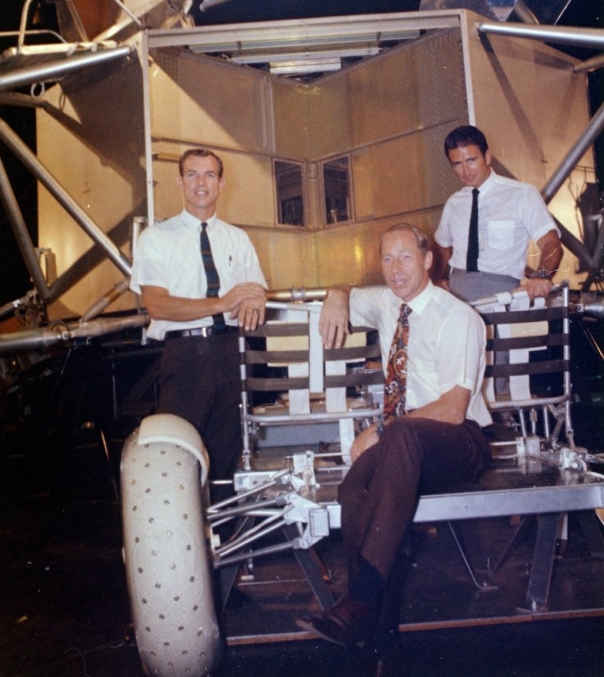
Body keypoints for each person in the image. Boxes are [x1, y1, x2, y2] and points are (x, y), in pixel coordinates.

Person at [297, 223, 491, 675]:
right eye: (387, 259)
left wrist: (381, 431)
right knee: (353, 489)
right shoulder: (388, 302)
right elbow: (349, 293)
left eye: (406, 257)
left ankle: (360, 599)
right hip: (406, 445)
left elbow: (453, 408)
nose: (396, 268)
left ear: (428, 260)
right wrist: (337, 293)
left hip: (460, 441)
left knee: (399, 438)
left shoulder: (458, 317)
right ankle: (378, 640)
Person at [130, 148, 267, 481]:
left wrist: (255, 301)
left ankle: (225, 517)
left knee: (228, 462)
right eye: (192, 174)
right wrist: (223, 303)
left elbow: (255, 295)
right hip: (185, 357)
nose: (201, 183)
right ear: (180, 182)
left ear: (221, 184)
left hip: (232, 353)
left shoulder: (238, 239)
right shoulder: (155, 239)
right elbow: (157, 305)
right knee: (179, 459)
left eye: (209, 175)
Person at [434, 125, 563, 302]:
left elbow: (551, 244)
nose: (466, 172)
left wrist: (541, 276)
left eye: (471, 160)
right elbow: (442, 245)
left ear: (487, 156)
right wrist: (440, 278)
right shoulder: (453, 203)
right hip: (457, 295)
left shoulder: (522, 194)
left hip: (502, 295)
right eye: (457, 164)